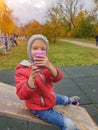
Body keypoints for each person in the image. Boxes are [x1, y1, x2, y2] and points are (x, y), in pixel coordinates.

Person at [15, 34, 80, 130]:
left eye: (43, 49)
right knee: (69, 124)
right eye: (35, 48)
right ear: (29, 50)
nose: (39, 52)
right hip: (39, 107)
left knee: (60, 98)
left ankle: (69, 100)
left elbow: (57, 78)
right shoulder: (22, 69)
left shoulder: (46, 66)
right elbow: (22, 95)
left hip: (49, 96)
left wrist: (50, 67)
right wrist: (32, 78)